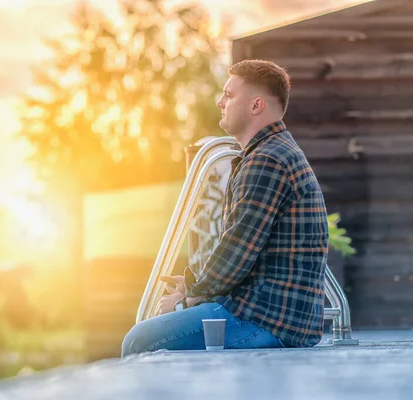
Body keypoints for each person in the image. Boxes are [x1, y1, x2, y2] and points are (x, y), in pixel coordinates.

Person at [122, 59, 329, 356]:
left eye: (229, 96)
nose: (220, 102)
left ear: (256, 106)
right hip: (271, 314)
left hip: (266, 320)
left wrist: (189, 298)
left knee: (139, 340)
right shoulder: (272, 152)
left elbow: (238, 247)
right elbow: (247, 253)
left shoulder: (266, 160)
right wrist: (194, 286)